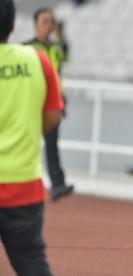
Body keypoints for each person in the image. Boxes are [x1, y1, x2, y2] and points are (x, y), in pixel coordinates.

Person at [0, 0, 64, 275]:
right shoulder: (36, 59)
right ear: (13, 24)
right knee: (32, 264)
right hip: (23, 185)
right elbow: (52, 118)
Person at [25, 7, 74, 202]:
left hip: (52, 104)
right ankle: (28, 182)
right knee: (29, 144)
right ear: (36, 25)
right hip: (32, 103)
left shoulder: (56, 48)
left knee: (52, 145)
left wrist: (62, 100)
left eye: (51, 22)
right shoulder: (27, 48)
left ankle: (57, 184)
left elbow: (63, 59)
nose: (49, 25)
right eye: (45, 21)